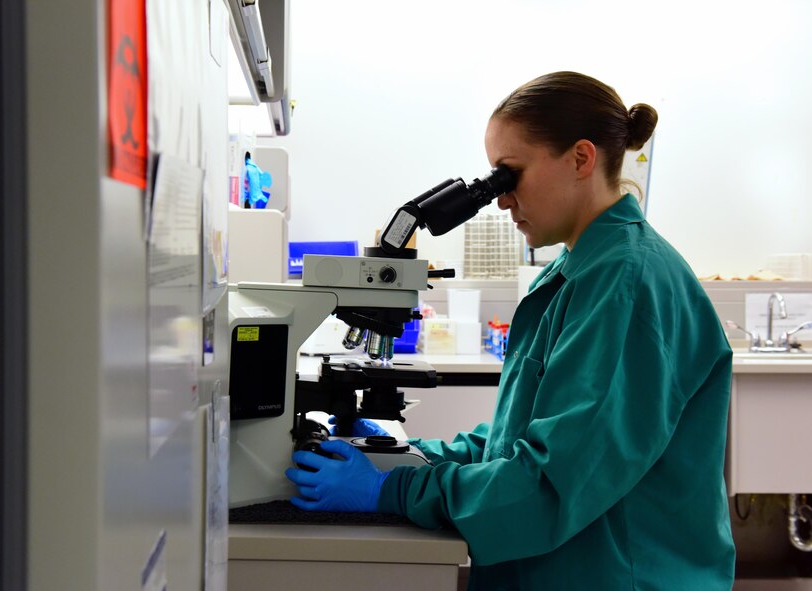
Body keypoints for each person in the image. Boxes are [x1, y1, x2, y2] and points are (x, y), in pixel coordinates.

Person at [286, 71, 736, 590]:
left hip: (619, 575)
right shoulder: (577, 270)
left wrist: (394, 491)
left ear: (581, 159)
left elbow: (551, 481)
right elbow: (523, 438)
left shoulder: (626, 283)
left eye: (509, 175)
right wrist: (410, 454)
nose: (501, 199)